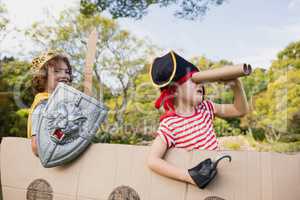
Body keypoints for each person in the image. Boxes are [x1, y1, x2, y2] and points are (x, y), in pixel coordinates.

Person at [147, 51, 249, 187]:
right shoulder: (170, 124)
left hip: (220, 181)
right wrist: (189, 176)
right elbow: (153, 160)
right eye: (193, 80)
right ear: (174, 90)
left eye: (201, 80)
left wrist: (236, 84)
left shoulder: (206, 108)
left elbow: (240, 110)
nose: (200, 84)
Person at [27, 50, 73, 156]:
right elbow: (37, 147)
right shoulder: (43, 105)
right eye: (57, 71)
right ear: (43, 77)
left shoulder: (60, 104)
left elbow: (58, 134)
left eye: (67, 72)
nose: (65, 76)